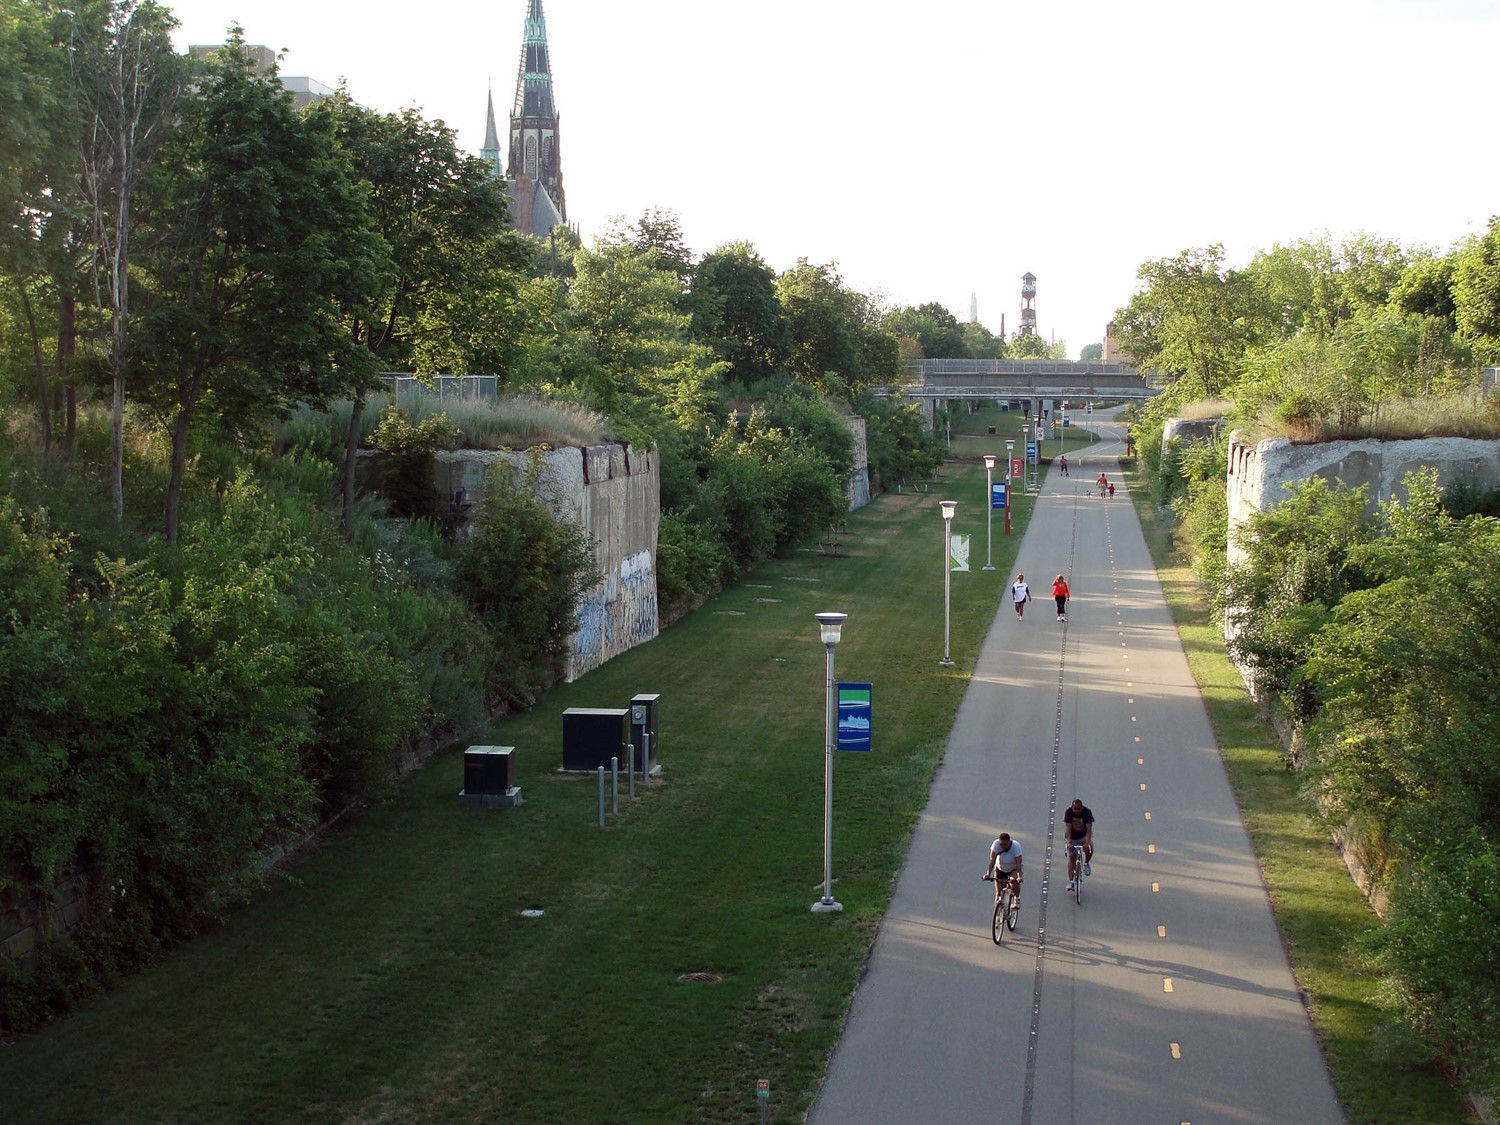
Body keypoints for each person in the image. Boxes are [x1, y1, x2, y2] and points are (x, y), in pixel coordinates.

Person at [983, 831, 1024, 907]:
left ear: (1009, 842)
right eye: (1002, 844)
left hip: (1013, 869)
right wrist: (988, 874)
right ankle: (998, 913)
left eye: (1006, 844)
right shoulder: (996, 844)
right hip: (1000, 868)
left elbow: (1018, 863)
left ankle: (1017, 898)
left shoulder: (1016, 846)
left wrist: (1019, 876)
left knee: (1013, 882)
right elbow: (992, 861)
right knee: (999, 893)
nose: (1003, 846)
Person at [1064, 798, 1094, 891]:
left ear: (1082, 807)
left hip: (1083, 836)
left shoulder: (1087, 812)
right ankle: (1071, 881)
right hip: (1072, 837)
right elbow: (1068, 828)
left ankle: (1086, 863)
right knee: (1072, 859)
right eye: (1074, 809)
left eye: (1078, 809)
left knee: (1089, 848)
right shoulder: (1068, 813)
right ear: (1072, 808)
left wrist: (1087, 842)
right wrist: (1069, 842)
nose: (1076, 811)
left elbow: (1089, 829)